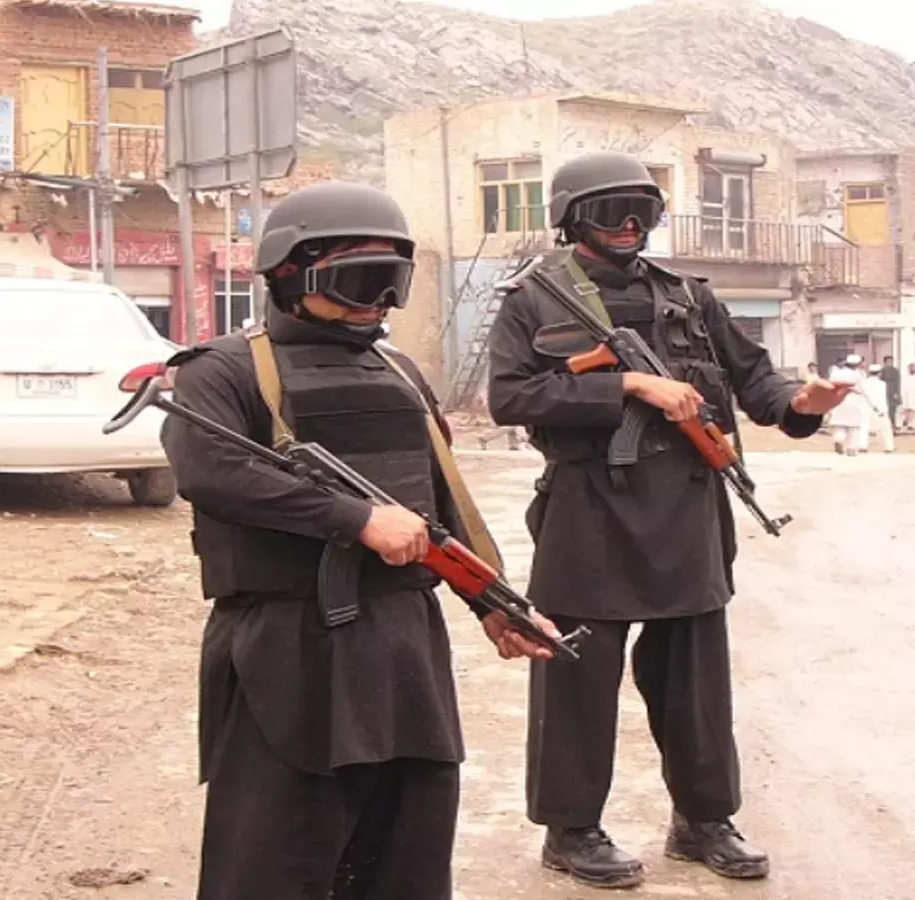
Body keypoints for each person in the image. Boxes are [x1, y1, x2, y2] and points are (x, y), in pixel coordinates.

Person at [160, 181, 562, 900]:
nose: (378, 302)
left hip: (403, 647)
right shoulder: (223, 370)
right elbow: (211, 471)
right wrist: (355, 519)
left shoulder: (399, 372)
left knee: (406, 862)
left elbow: (440, 499)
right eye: (358, 279)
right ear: (289, 274)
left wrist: (492, 601)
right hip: (285, 650)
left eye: (391, 282)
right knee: (270, 867)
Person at [486, 150, 850, 890]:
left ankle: (703, 819)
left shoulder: (690, 296)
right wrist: (628, 384)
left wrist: (801, 403)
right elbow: (511, 397)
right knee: (577, 679)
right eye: (610, 211)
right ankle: (570, 829)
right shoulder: (535, 298)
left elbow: (755, 379)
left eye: (643, 211)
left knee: (697, 682)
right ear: (570, 219)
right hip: (587, 509)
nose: (629, 225)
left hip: (686, 506)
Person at [880, 355, 901, 430]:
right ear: (884, 362)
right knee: (884, 410)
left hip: (893, 392)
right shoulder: (882, 371)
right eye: (888, 361)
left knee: (892, 410)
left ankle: (893, 425)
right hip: (883, 392)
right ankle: (885, 426)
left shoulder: (895, 371)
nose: (889, 363)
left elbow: (898, 383)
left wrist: (896, 393)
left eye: (890, 361)